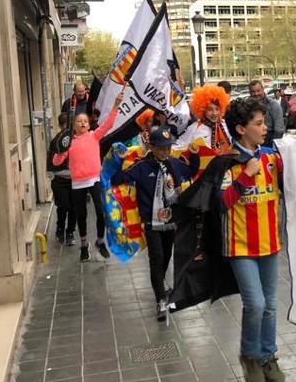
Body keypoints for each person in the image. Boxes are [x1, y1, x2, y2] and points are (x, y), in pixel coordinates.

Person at [221, 97, 285, 382]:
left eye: (264, 122)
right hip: (240, 245)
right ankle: (249, 357)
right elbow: (222, 202)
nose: (265, 128)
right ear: (240, 129)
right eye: (258, 124)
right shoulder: (227, 161)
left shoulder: (272, 157)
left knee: (271, 304)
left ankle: (268, 357)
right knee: (256, 304)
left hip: (270, 242)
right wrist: (246, 177)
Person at [112, 125, 199, 320]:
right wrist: (119, 160)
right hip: (151, 223)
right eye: (161, 148)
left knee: (166, 256)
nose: (165, 151)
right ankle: (160, 299)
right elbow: (118, 178)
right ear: (151, 147)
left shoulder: (174, 164)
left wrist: (194, 155)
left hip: (171, 221)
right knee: (156, 259)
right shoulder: (142, 167)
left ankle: (161, 283)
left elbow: (190, 172)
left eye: (168, 147)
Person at [52, 91, 124, 262]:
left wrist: (115, 105)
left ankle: (100, 241)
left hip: (94, 179)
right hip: (77, 183)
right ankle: (84, 245)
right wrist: (61, 151)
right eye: (79, 121)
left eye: (85, 121)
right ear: (74, 126)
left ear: (88, 124)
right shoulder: (69, 141)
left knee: (101, 213)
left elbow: (107, 125)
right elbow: (56, 161)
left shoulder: (94, 136)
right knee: (81, 215)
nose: (83, 123)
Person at [175, 84, 231, 153]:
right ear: (203, 110)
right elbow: (178, 147)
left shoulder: (226, 125)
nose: (214, 113)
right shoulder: (194, 128)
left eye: (217, 109)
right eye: (210, 109)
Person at [47, 112, 74, 245]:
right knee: (63, 206)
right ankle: (60, 229)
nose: (65, 129)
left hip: (75, 180)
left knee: (74, 207)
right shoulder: (56, 142)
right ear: (60, 126)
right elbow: (50, 161)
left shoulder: (76, 140)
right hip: (60, 180)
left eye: (67, 126)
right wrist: (52, 177)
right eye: (63, 126)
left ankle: (70, 232)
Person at [249, 80, 285, 147]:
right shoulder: (246, 107)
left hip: (268, 144)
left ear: (263, 89)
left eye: (258, 91)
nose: (256, 94)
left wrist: (272, 148)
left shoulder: (274, 105)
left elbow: (279, 131)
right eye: (253, 92)